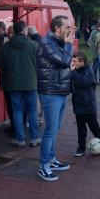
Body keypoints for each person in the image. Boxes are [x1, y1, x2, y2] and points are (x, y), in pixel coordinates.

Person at [36, 15, 74, 181]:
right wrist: (69, 44)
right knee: (50, 130)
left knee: (55, 128)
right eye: (66, 27)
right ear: (57, 28)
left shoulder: (57, 42)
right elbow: (65, 62)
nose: (69, 30)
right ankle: (43, 165)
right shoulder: (46, 43)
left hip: (60, 90)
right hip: (50, 92)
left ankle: (51, 159)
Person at [0, 21, 40, 147]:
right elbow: (41, 64)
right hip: (31, 84)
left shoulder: (5, 47)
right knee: (32, 111)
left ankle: (20, 139)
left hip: (13, 84)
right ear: (24, 30)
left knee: (17, 111)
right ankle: (34, 138)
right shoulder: (34, 45)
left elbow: (1, 65)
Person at [71, 51, 100, 157]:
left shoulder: (88, 71)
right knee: (81, 128)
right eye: (72, 61)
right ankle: (81, 148)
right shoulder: (76, 71)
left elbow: (83, 82)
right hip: (78, 105)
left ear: (82, 61)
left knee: (94, 127)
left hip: (88, 105)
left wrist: (73, 72)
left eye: (75, 61)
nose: (73, 63)